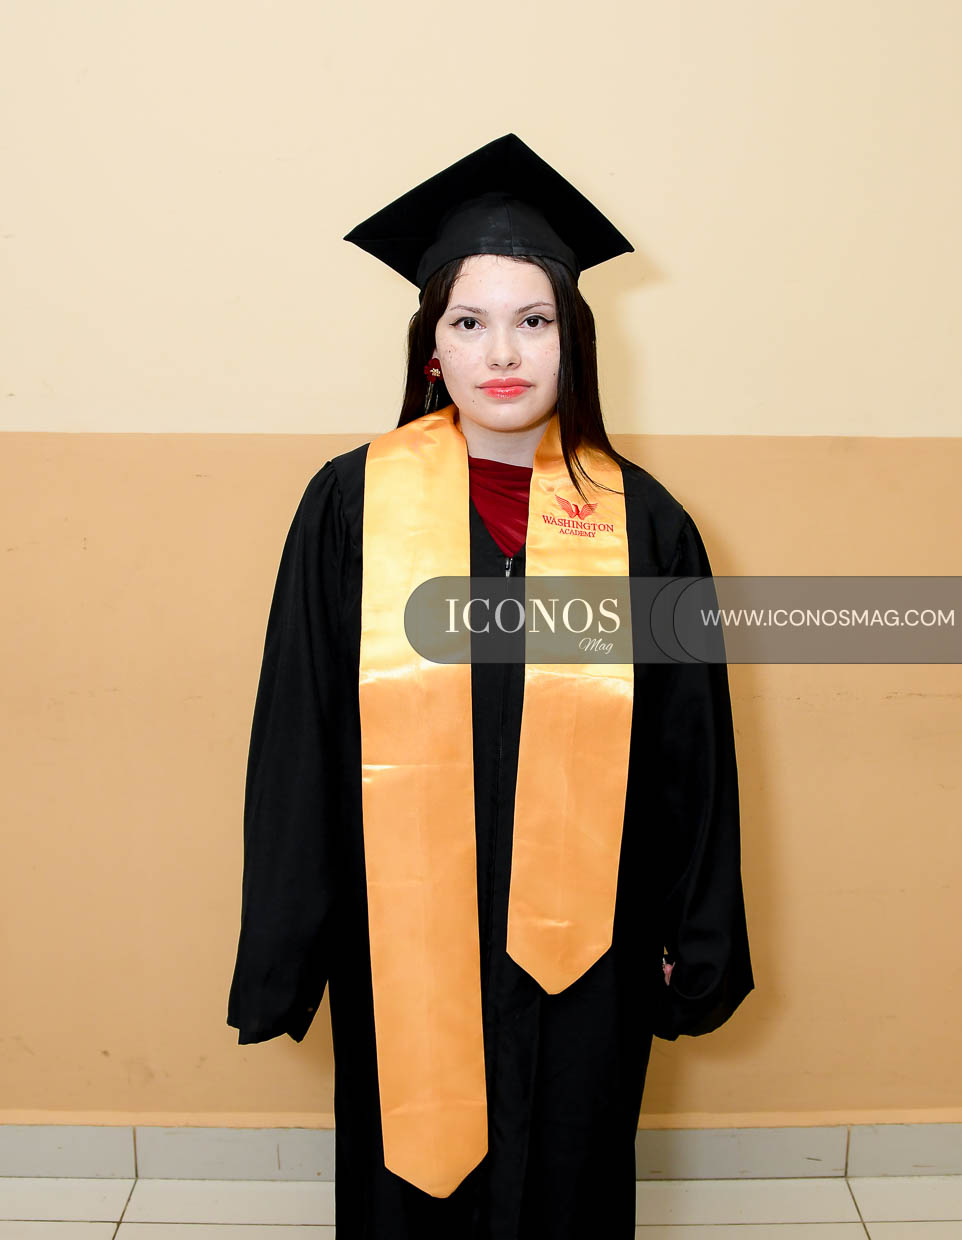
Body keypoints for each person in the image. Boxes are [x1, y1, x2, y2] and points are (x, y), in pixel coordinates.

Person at [227, 132, 755, 1240]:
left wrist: (692, 929)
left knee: (569, 1174)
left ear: (574, 343)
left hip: (586, 944)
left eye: (533, 321)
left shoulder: (644, 523)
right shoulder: (351, 509)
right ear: (430, 347)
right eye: (468, 323)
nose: (501, 353)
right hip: (400, 926)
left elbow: (689, 750)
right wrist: (288, 935)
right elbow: (299, 729)